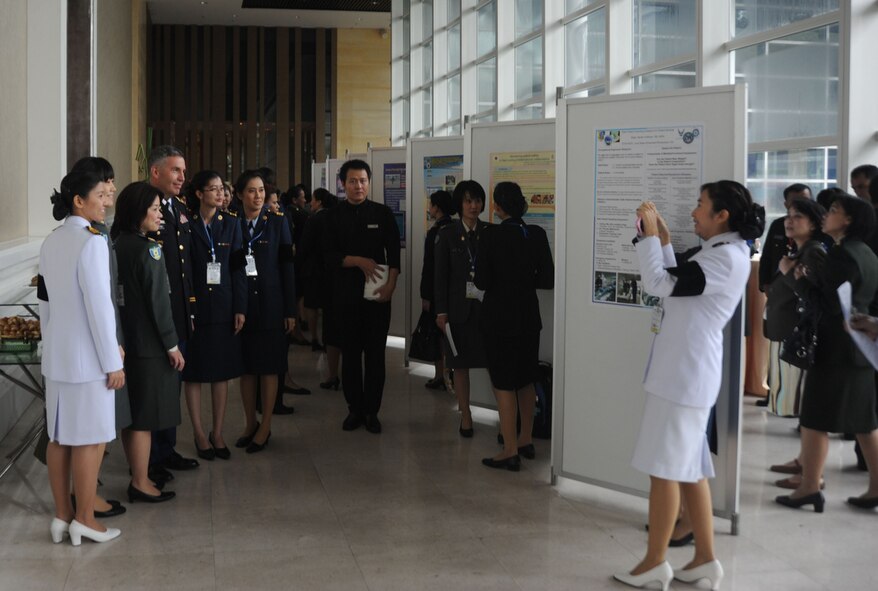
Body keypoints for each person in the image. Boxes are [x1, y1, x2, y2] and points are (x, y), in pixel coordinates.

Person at [614, 181, 764, 591]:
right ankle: (704, 560)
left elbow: (660, 284)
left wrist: (646, 238)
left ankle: (654, 562)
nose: (694, 213)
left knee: (663, 470)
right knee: (691, 470)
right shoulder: (720, 252)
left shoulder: (727, 258)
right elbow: (679, 281)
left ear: (722, 216)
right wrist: (660, 239)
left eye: (701, 206)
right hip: (683, 375)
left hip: (683, 380)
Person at [38, 169, 125, 546]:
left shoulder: (52, 241)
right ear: (79, 200)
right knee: (89, 440)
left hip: (58, 357)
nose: (107, 202)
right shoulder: (91, 242)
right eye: (102, 195)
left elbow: (45, 307)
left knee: (59, 438)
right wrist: (113, 361)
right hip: (88, 361)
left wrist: (51, 343)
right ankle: (86, 519)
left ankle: (62, 516)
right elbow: (100, 309)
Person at [776, 195, 878, 512]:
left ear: (847, 220)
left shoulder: (841, 254)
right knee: (864, 422)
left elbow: (829, 304)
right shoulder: (868, 254)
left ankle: (809, 487)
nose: (827, 215)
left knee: (814, 418)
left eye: (834, 211)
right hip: (861, 347)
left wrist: (795, 277)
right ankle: (876, 487)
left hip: (835, 346)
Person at [113, 182, 185, 504]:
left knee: (132, 415)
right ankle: (141, 481)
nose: (160, 215)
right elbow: (160, 305)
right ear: (137, 212)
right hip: (150, 347)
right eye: (154, 209)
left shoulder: (116, 244)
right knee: (144, 418)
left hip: (125, 343)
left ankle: (137, 473)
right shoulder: (149, 250)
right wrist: (172, 345)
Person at [474, 182, 553, 470]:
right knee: (526, 378)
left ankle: (508, 450)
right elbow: (547, 279)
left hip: (498, 318)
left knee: (503, 383)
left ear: (497, 207)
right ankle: (525, 438)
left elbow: (481, 281)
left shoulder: (490, 236)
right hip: (529, 317)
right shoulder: (537, 234)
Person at [68, 156, 129, 519]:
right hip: (92, 347)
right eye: (104, 182)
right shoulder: (90, 234)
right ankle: (85, 504)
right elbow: (100, 300)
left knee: (88, 431)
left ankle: (84, 498)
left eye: (111, 180)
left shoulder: (96, 230)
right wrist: (113, 350)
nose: (110, 189)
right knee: (89, 431)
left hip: (91, 342)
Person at [324, 159, 401, 434]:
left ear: (370, 183)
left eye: (363, 181)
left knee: (376, 356)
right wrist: (357, 260)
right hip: (345, 297)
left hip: (378, 297)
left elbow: (394, 254)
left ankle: (372, 411)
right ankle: (354, 409)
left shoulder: (382, 213)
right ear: (343, 184)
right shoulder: (333, 216)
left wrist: (391, 286)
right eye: (353, 181)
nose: (359, 186)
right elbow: (328, 256)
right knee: (352, 355)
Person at [181, 171, 246, 461]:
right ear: (199, 194)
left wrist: (240, 307)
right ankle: (198, 432)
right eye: (213, 189)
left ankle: (217, 432)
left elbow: (238, 268)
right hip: (194, 308)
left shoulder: (231, 224)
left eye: (222, 189)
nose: (220, 194)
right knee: (193, 373)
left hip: (223, 305)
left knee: (221, 373)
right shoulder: (185, 225)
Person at [146, 145, 199, 483]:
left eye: (183, 170)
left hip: (178, 312)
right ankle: (149, 460)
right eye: (175, 170)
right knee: (156, 392)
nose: (182, 177)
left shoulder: (176, 207)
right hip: (156, 317)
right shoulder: (144, 207)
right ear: (156, 172)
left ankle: (166, 450)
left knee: (172, 388)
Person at [234, 170, 297, 453]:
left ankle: (267, 425)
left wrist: (290, 308)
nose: (258, 196)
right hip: (243, 306)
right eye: (251, 191)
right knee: (246, 368)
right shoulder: (231, 222)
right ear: (239, 195)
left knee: (269, 367)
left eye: (261, 190)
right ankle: (250, 423)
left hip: (272, 304)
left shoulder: (277, 222)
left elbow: (287, 266)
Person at [434, 181, 490, 436]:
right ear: (459, 205)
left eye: (477, 200)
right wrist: (441, 311)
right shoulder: (447, 234)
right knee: (460, 364)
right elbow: (440, 277)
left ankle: (503, 416)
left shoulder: (490, 232)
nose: (473, 206)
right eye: (468, 201)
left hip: (486, 310)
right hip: (457, 311)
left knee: (494, 363)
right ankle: (465, 413)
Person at [762, 199, 827, 418]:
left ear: (814, 224)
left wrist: (788, 272)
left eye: (798, 216)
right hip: (783, 330)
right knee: (784, 395)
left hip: (795, 332)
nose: (790, 221)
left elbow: (814, 295)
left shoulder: (813, 252)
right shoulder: (797, 251)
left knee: (794, 400)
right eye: (788, 216)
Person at [301, 187, 341, 389]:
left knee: (315, 307)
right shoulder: (338, 217)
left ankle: (316, 338)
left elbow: (305, 245)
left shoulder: (314, 219)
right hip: (337, 275)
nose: (310, 202)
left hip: (315, 272)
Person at [421, 190, 456, 390]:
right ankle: (448, 374)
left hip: (436, 292)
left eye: (431, 204)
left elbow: (429, 266)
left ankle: (440, 375)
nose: (429, 208)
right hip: (453, 291)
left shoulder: (436, 232)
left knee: (437, 335)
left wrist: (425, 294)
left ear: (437, 207)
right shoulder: (455, 227)